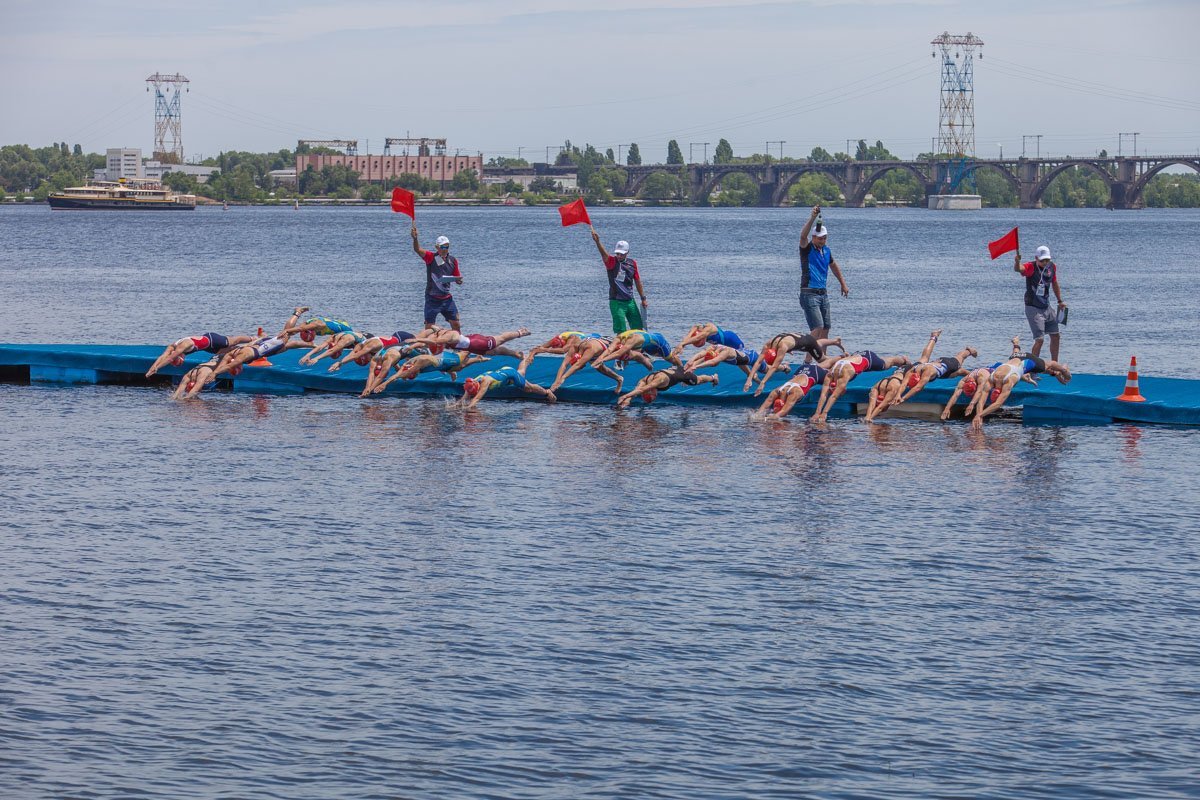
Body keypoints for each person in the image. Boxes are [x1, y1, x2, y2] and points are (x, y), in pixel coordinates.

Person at [970, 338, 1072, 428]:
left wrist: (979, 415)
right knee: (1015, 355)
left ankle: (1063, 370)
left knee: (1050, 366)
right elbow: (981, 401)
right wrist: (979, 416)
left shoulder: (1009, 381)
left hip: (1029, 361)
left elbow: (998, 404)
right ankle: (1016, 343)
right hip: (1017, 357)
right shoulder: (992, 378)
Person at [810, 349, 910, 424]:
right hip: (856, 358)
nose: (841, 392)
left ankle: (903, 360)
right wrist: (817, 413)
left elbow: (834, 396)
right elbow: (823, 395)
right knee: (882, 362)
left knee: (885, 364)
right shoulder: (829, 374)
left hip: (868, 358)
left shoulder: (844, 375)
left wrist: (824, 413)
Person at [798, 205, 849, 340]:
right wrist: (813, 217)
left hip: (823, 294)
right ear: (813, 237)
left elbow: (833, 266)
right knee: (817, 327)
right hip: (809, 293)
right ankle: (808, 361)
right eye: (819, 238)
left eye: (824, 238)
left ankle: (821, 359)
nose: (822, 240)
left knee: (826, 328)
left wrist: (843, 284)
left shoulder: (826, 251)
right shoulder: (807, 249)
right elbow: (803, 236)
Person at [743, 331, 843, 395]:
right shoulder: (768, 344)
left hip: (808, 343)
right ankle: (834, 341)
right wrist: (749, 378)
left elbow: (774, 367)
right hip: (800, 336)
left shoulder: (782, 347)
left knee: (822, 359)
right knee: (818, 344)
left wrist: (763, 383)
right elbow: (758, 361)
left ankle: (842, 358)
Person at [590, 227, 647, 334]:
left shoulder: (632, 263)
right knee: (621, 331)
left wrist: (643, 298)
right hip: (616, 302)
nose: (619, 256)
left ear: (627, 252)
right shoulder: (611, 262)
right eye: (618, 253)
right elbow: (603, 254)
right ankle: (621, 348)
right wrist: (598, 242)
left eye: (622, 253)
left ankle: (637, 349)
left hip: (630, 301)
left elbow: (638, 281)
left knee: (638, 329)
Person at [1015, 244, 1067, 361]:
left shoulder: (1052, 267)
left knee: (1056, 335)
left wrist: (1060, 301)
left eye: (1047, 260)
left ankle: (1054, 364)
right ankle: (1033, 369)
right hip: (1033, 307)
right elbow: (1019, 269)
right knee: (1039, 339)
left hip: (1046, 306)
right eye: (1042, 260)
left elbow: (1054, 283)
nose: (1045, 262)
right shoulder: (1031, 266)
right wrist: (1017, 262)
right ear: (1036, 258)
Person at [411, 222, 463, 331]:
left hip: (447, 298)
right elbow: (417, 250)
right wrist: (415, 238)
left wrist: (458, 280)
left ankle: (458, 346)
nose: (445, 249)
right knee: (429, 327)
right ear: (437, 247)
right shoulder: (431, 257)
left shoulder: (453, 260)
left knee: (456, 324)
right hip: (432, 298)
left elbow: (458, 278)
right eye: (442, 247)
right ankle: (426, 346)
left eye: (447, 246)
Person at [146, 331, 254, 377]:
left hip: (212, 340)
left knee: (234, 341)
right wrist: (152, 368)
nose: (184, 357)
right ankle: (249, 349)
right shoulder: (172, 346)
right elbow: (163, 356)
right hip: (207, 348)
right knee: (228, 351)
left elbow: (169, 359)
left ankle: (254, 338)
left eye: (181, 359)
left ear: (179, 355)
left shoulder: (184, 346)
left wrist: (158, 368)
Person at [374, 350, 488, 393]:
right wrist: (384, 384)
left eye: (414, 373)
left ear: (413, 369)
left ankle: (473, 349)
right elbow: (397, 375)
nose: (417, 374)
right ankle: (476, 359)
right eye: (415, 375)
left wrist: (384, 383)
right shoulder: (407, 366)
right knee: (459, 367)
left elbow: (401, 375)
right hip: (442, 366)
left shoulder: (419, 363)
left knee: (461, 359)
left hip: (446, 359)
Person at [546, 335, 623, 395]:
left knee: (626, 354)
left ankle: (619, 362)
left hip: (609, 344)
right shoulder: (575, 346)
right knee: (599, 367)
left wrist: (562, 379)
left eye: (582, 367)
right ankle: (619, 379)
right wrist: (556, 381)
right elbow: (564, 364)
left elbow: (577, 365)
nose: (583, 367)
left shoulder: (589, 349)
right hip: (595, 343)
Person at [616, 366, 718, 409]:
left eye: (654, 396)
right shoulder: (643, 381)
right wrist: (627, 400)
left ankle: (713, 377)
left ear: (651, 391)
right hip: (671, 370)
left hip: (682, 374)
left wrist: (624, 396)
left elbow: (641, 390)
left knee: (698, 381)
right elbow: (638, 390)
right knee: (632, 395)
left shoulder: (657, 381)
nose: (656, 395)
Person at [753, 363, 829, 419]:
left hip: (816, 373)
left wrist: (767, 418)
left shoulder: (794, 393)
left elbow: (783, 412)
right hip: (802, 369)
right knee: (826, 362)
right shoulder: (777, 391)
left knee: (831, 372)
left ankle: (841, 358)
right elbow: (761, 411)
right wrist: (757, 416)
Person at [462, 366, 556, 409]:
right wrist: (452, 406)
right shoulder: (471, 382)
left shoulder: (485, 382)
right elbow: (464, 398)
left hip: (510, 375)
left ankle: (547, 392)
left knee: (528, 388)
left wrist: (467, 408)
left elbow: (477, 398)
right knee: (521, 373)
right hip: (503, 372)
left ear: (477, 387)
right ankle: (526, 358)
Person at [411, 326, 531, 359]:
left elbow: (432, 341)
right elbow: (428, 339)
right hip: (471, 346)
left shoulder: (448, 336)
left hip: (478, 343)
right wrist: (411, 347)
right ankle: (515, 354)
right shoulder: (439, 332)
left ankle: (520, 332)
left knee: (500, 339)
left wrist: (416, 340)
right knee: (493, 352)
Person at [326, 331, 418, 373]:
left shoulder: (371, 347)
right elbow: (351, 355)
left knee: (421, 346)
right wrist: (340, 363)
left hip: (402, 338)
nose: (371, 360)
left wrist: (339, 363)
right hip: (396, 346)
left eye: (368, 359)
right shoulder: (359, 346)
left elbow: (356, 355)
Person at [593, 329, 680, 369]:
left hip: (658, 343)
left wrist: (602, 360)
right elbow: (609, 350)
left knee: (671, 359)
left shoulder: (632, 340)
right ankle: (647, 361)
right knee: (634, 356)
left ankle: (683, 371)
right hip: (644, 345)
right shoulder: (618, 338)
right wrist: (599, 358)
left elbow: (618, 353)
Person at [519, 331, 604, 373]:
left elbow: (563, 351)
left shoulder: (572, 338)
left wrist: (545, 350)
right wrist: (531, 355)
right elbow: (539, 348)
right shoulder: (558, 339)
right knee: (577, 361)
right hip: (583, 343)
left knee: (584, 361)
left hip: (594, 339)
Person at [672, 323, 745, 358]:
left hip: (731, 339)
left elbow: (698, 337)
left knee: (742, 357)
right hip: (722, 346)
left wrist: (683, 344)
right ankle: (750, 375)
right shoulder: (695, 328)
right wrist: (681, 345)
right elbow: (688, 337)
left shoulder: (709, 327)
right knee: (735, 359)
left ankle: (752, 373)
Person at [284, 312, 357, 343]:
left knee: (289, 332)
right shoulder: (306, 327)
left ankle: (298, 312)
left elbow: (301, 328)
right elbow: (301, 328)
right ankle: (297, 313)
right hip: (316, 323)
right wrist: (286, 332)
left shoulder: (320, 325)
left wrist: (286, 331)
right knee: (289, 334)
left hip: (343, 327)